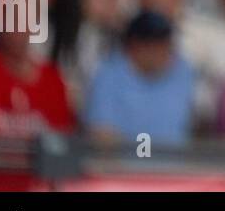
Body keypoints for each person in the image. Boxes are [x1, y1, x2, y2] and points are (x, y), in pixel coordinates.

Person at [83, 11, 197, 147]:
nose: (162, 51)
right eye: (153, 44)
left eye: (165, 43)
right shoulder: (108, 76)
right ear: (134, 45)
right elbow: (102, 135)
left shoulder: (183, 72)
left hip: (176, 165)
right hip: (124, 165)